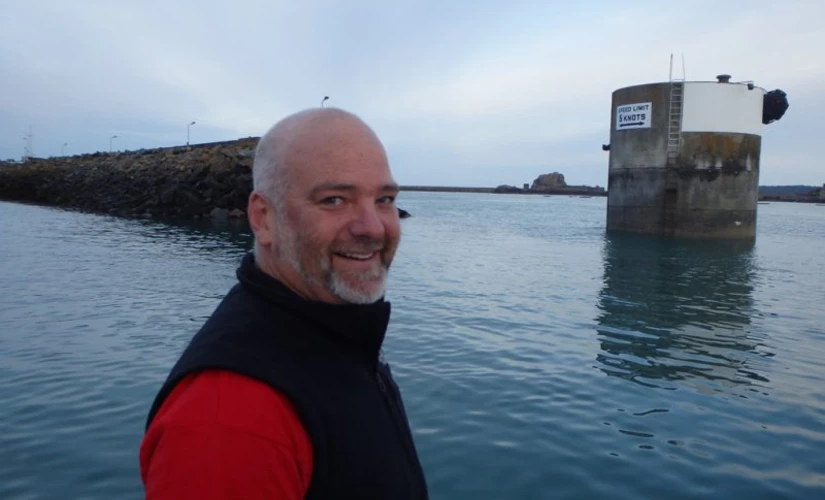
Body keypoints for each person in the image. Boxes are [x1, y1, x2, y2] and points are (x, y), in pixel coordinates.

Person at [138, 108, 429, 499]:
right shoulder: (229, 421)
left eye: (384, 199)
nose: (372, 227)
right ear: (263, 218)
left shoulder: (333, 333)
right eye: (334, 200)